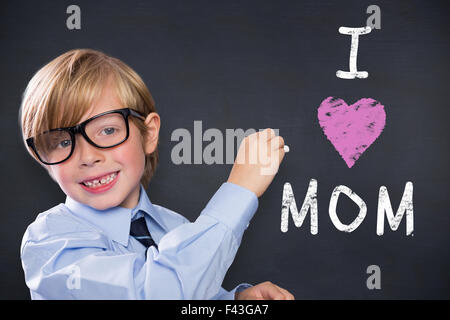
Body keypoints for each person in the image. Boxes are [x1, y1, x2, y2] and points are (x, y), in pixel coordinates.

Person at [19, 49, 294, 300]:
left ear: (149, 134)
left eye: (107, 130)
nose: (88, 156)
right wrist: (239, 190)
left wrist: (234, 302)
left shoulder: (175, 227)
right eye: (62, 142)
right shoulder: (50, 242)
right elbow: (154, 292)